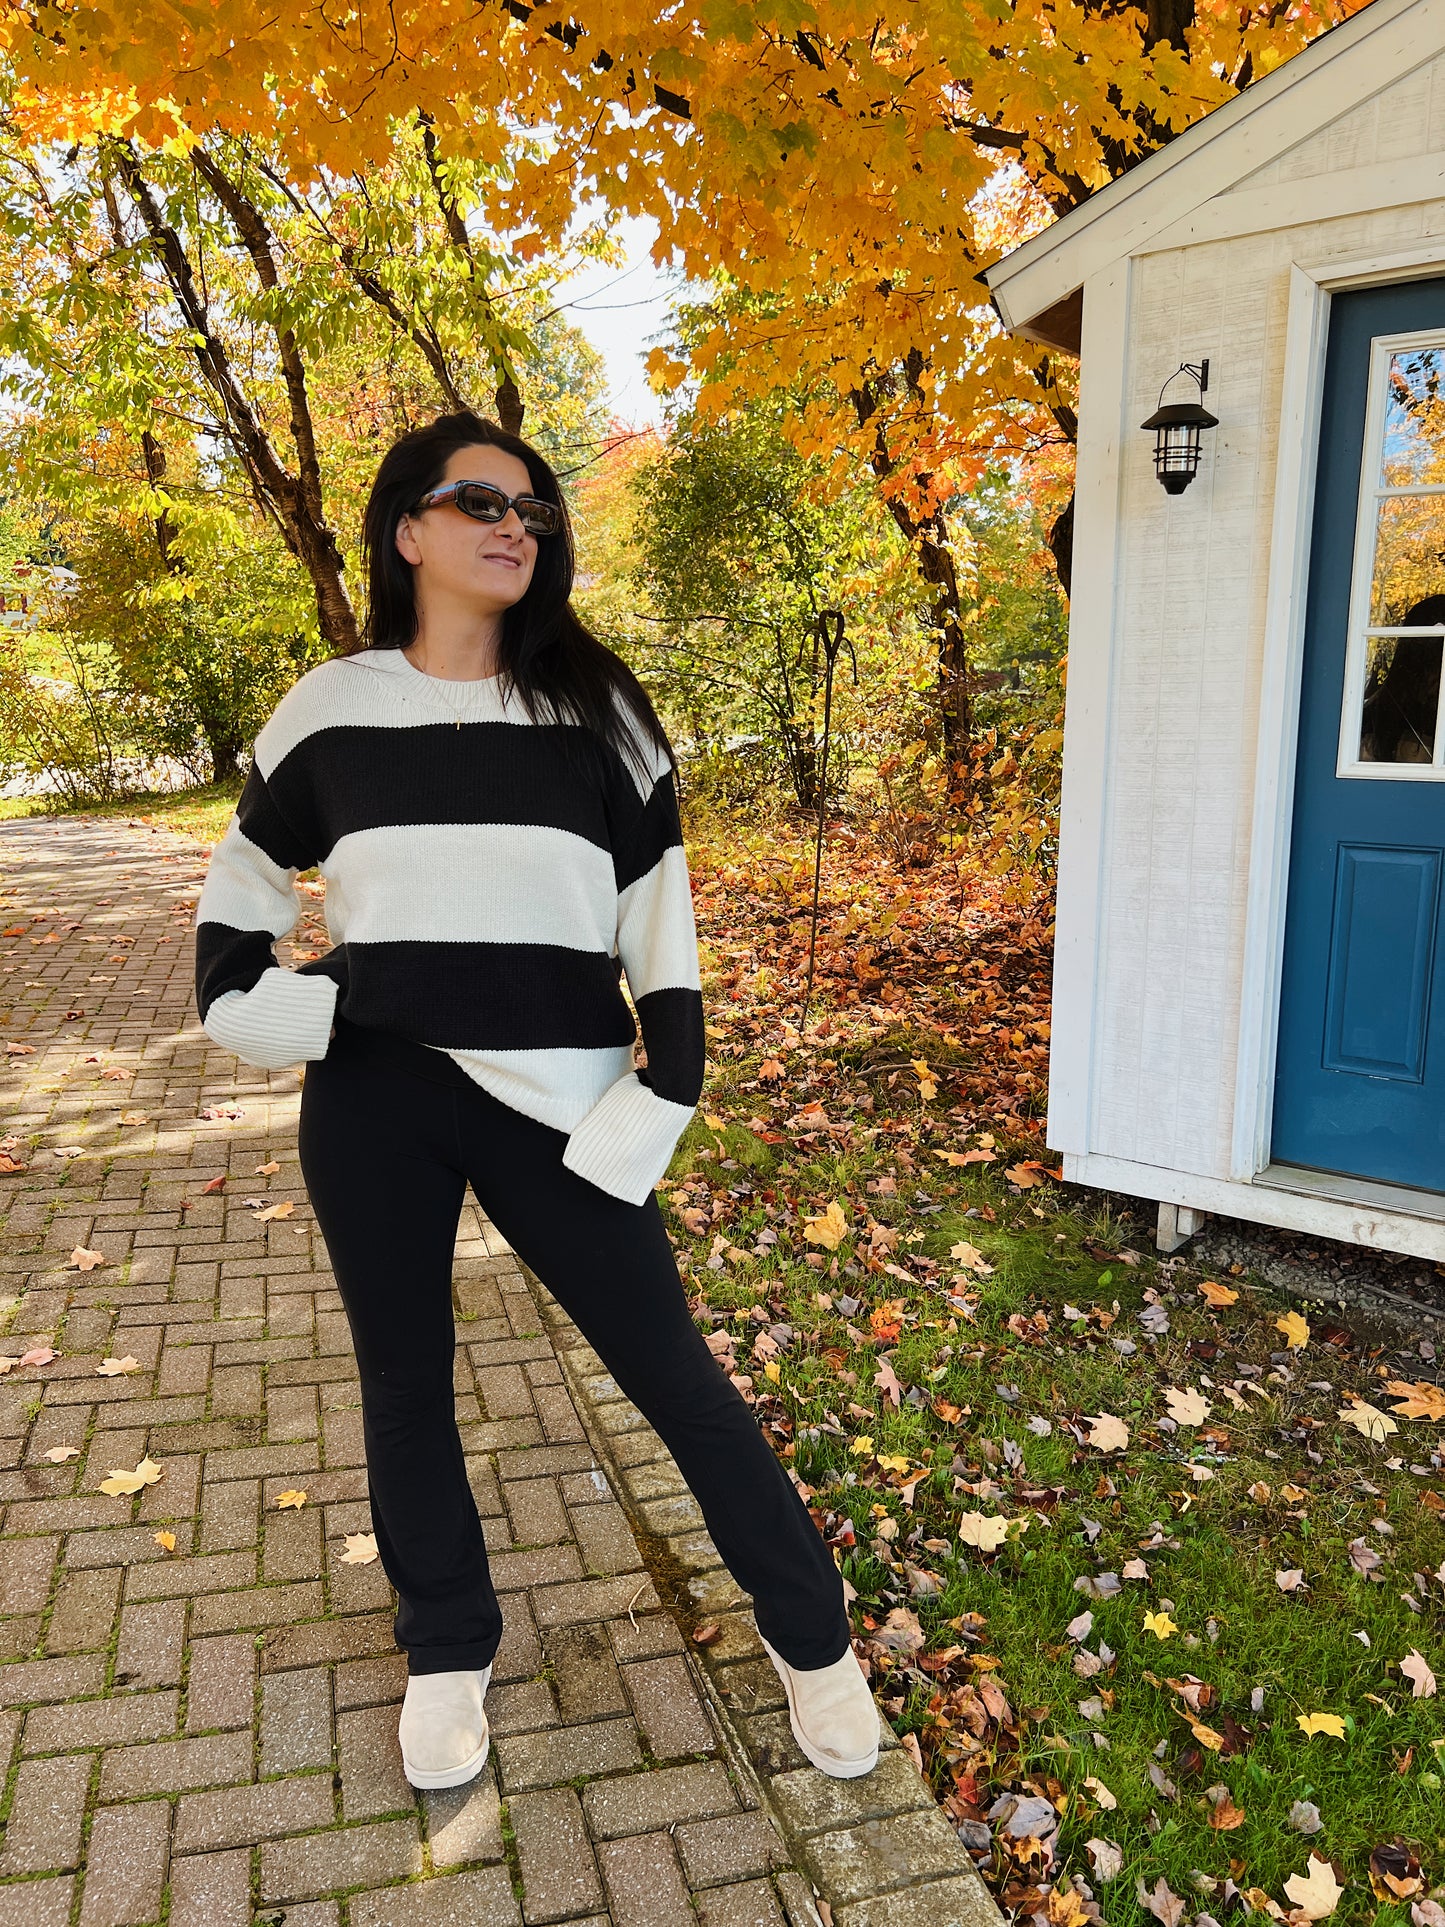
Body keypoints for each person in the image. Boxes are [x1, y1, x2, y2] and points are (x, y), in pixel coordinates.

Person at [191, 410, 881, 1788]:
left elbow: (660, 933)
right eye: (478, 501)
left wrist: (653, 1101)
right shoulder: (329, 709)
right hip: (376, 1100)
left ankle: (815, 1643)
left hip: (558, 1103)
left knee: (672, 1378)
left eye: (533, 508)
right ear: (407, 531)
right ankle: (445, 1647)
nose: (516, 525)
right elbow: (230, 931)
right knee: (405, 1384)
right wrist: (316, 1014)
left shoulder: (596, 710)